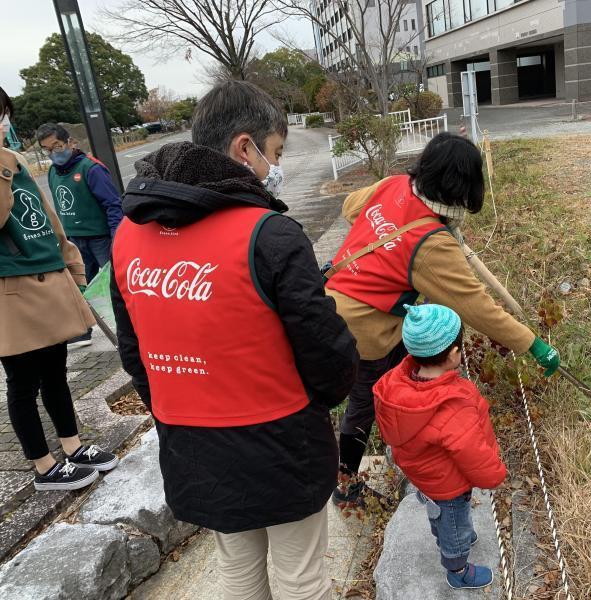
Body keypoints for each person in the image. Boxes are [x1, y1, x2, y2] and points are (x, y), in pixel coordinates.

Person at [110, 80, 359, 600]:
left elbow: (134, 353)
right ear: (245, 147)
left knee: (237, 571)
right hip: (282, 440)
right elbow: (327, 351)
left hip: (192, 445)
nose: (275, 166)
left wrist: (176, 410)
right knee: (301, 577)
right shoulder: (269, 234)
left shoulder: (128, 235)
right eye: (275, 153)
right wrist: (325, 400)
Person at [325, 132, 559, 506]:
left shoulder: (394, 185)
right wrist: (532, 344)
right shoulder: (431, 244)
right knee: (366, 402)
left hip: (338, 303)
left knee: (403, 375)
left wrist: (389, 226)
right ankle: (347, 484)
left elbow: (351, 206)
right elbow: (478, 306)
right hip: (365, 328)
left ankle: (402, 449)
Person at [0, 86, 118, 492]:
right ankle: (43, 465)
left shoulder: (15, 160)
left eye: (4, 114)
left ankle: (73, 445)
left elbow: (47, 217)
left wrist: (73, 266)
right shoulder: (5, 163)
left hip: (48, 277)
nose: (3, 124)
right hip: (10, 291)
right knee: (22, 384)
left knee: (56, 373)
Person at [374, 303, 506, 589]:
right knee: (453, 524)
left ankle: (451, 531)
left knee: (440, 514)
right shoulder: (452, 403)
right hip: (449, 485)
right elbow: (470, 450)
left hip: (425, 475)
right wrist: (494, 475)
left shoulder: (396, 387)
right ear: (453, 354)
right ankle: (458, 570)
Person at [37, 122, 123, 348]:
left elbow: (113, 205)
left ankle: (129, 328)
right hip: (74, 240)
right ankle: (83, 331)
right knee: (79, 288)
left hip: (101, 239)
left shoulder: (91, 169)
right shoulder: (53, 172)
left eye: (57, 146)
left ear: (70, 142)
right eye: (47, 150)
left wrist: (116, 237)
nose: (53, 153)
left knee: (115, 285)